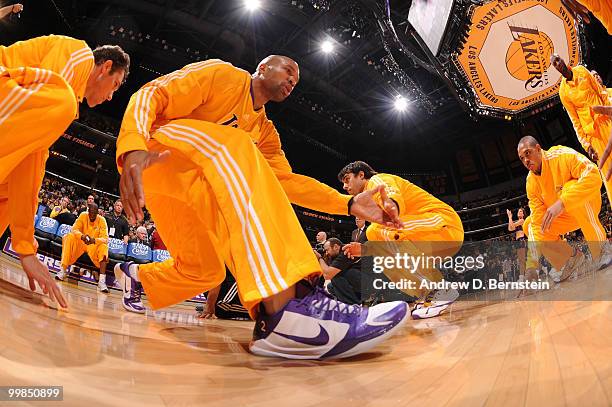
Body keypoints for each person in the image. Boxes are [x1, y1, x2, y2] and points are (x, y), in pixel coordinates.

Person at [113, 55, 408, 360]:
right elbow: (151, 93)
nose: (293, 79)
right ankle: (285, 313)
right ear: (263, 67)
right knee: (236, 145)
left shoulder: (265, 133)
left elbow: (287, 182)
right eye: (289, 70)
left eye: (297, 79)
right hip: (155, 153)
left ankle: (133, 275)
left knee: (207, 272)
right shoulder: (224, 75)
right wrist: (133, 145)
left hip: (188, 188)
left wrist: (345, 202)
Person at [0, 35, 130, 307]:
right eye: (115, 86)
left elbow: (32, 158)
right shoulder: (77, 55)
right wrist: (25, 248)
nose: (110, 97)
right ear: (105, 67)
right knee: (64, 102)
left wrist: (25, 248)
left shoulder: (55, 102)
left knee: (12, 191)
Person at [339, 161, 464, 319]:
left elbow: (392, 197)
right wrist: (365, 250)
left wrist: (393, 207)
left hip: (443, 223)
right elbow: (390, 241)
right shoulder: (371, 199)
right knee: (377, 238)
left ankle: (440, 288)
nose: (344, 186)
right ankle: (428, 294)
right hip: (430, 235)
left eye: (347, 179)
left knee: (375, 231)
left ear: (361, 175)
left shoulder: (376, 181)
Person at [518, 136, 608, 280]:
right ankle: (570, 259)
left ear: (538, 149)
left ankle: (602, 249)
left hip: (587, 203)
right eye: (521, 158)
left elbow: (593, 173)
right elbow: (536, 223)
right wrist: (532, 265)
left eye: (527, 153)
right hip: (565, 217)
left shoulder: (561, 155)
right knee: (529, 224)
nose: (525, 160)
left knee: (570, 188)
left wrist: (563, 202)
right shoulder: (530, 182)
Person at [552, 54, 612, 202]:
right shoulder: (563, 92)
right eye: (554, 64)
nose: (558, 64)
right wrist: (586, 145)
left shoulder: (582, 71)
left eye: (558, 60)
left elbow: (601, 91)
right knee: (608, 175)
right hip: (593, 134)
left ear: (563, 59)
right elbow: (575, 121)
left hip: (607, 121)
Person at [56, 203, 110, 293]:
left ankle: (102, 281)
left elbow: (105, 239)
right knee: (68, 236)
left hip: (93, 244)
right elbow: (74, 229)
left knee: (104, 247)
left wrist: (94, 240)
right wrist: (82, 236)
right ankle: (63, 270)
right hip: (81, 241)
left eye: (94, 213)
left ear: (98, 213)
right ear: (88, 211)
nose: (92, 215)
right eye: (91, 213)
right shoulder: (83, 215)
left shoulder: (102, 220)